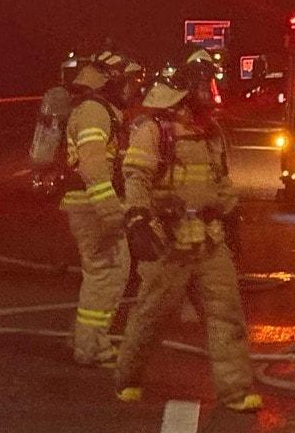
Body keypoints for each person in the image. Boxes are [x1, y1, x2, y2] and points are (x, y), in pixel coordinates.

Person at [114, 55, 261, 412]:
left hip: (209, 239)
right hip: (170, 241)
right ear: (184, 91)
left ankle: (236, 391)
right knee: (152, 314)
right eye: (203, 88)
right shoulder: (154, 129)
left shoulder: (210, 131)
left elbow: (219, 179)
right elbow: (136, 177)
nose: (209, 95)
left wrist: (231, 217)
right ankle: (128, 378)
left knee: (226, 315)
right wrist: (136, 220)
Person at [61, 49, 136, 366]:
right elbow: (93, 164)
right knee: (107, 274)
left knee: (102, 273)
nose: (132, 88)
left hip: (88, 202)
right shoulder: (94, 112)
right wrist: (111, 211)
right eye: (128, 81)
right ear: (112, 81)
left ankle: (83, 338)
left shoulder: (97, 109)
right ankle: (91, 348)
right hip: (93, 204)